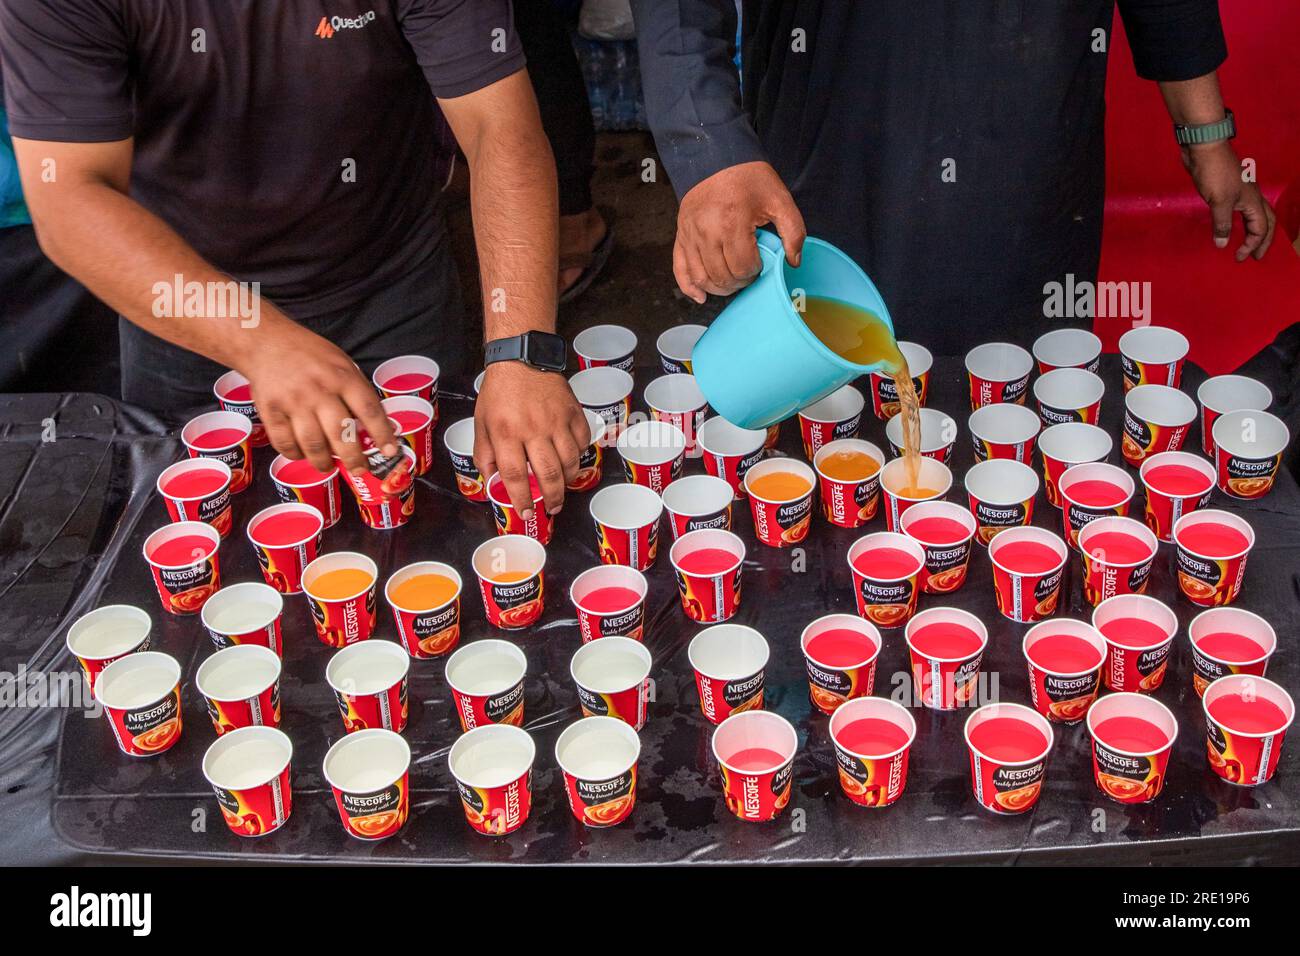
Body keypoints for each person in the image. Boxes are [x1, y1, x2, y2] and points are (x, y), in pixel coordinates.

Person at [1, 0, 587, 520]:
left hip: (393, 288)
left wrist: (521, 351)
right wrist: (258, 339)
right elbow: (69, 196)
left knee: (434, 523)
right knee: (211, 557)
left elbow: (498, 127)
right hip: (187, 315)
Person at [629, 1, 1277, 354]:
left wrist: (1207, 135)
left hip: (1032, 157)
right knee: (824, 423)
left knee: (1018, 419)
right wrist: (707, 147)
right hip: (834, 139)